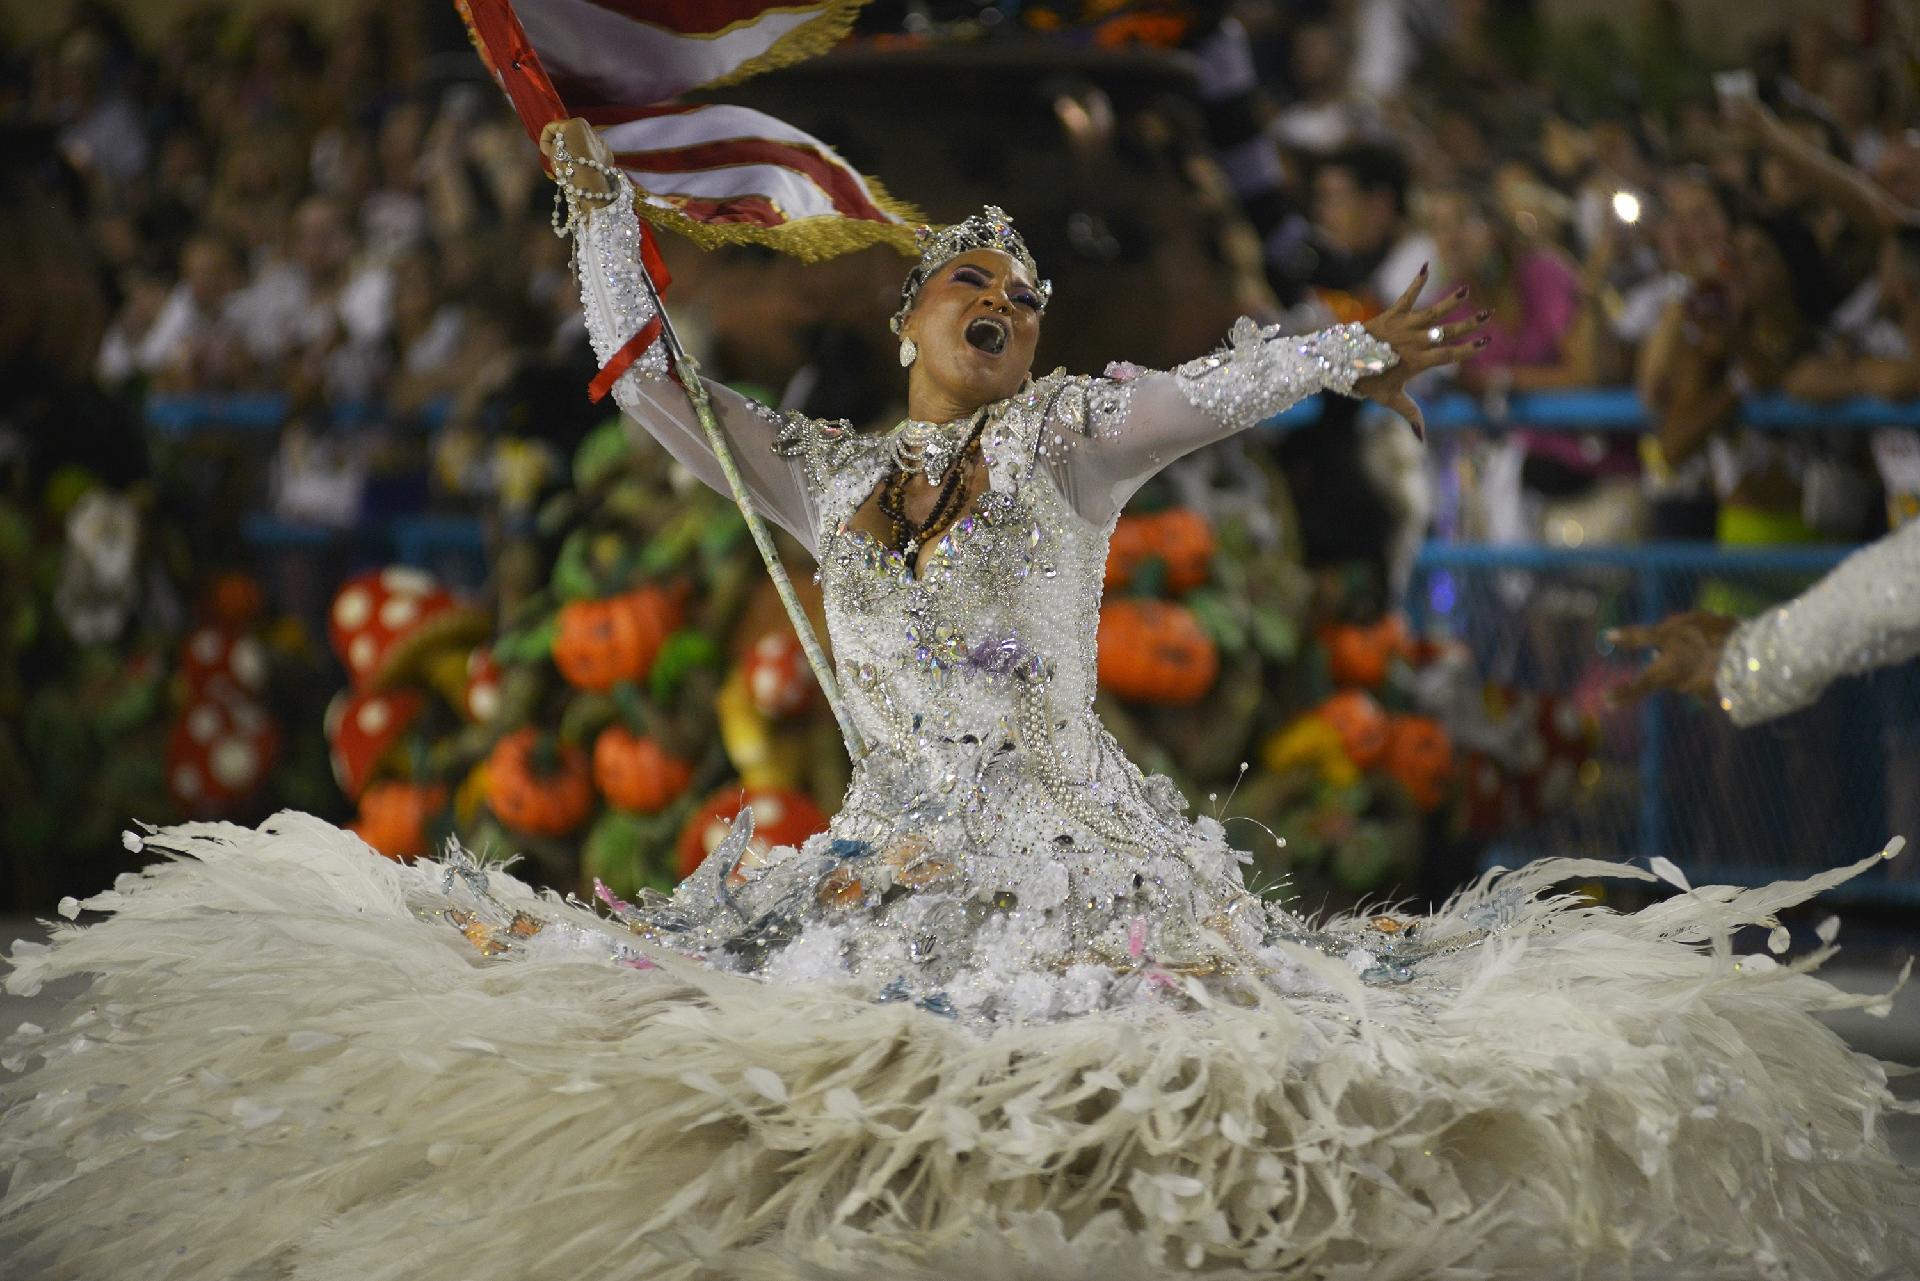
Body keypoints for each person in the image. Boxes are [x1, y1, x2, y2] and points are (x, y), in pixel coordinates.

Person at [3, 118, 1916, 1281]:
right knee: (813, 1079)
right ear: (908, 317)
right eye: (969, 281)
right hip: (888, 850)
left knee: (1120, 1071)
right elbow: (653, 387)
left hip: (1073, 844)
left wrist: (1353, 350)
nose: (1005, 297)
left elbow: (1203, 388)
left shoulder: (1071, 443)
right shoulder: (821, 476)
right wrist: (600, 211)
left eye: (1025, 286)